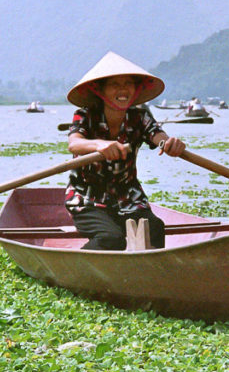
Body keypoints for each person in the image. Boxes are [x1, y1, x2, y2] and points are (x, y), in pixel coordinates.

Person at [64, 51, 185, 250]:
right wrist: (99, 145)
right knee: (111, 238)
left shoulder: (140, 116)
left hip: (128, 196)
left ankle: (152, 272)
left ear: (136, 89)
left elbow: (158, 136)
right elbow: (74, 144)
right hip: (87, 197)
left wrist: (169, 144)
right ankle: (77, 266)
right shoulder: (85, 115)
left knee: (154, 228)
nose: (123, 90)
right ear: (101, 90)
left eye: (128, 83)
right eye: (115, 84)